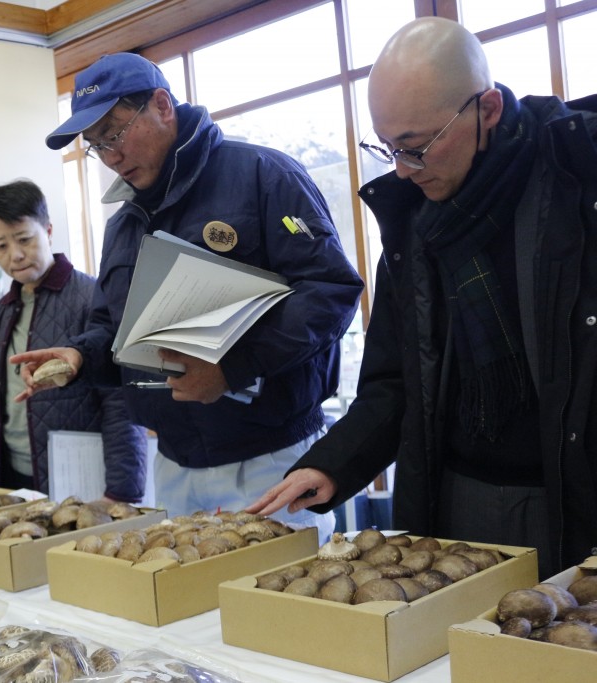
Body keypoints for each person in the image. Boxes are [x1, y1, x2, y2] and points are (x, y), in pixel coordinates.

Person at [247, 17, 597, 579]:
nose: (404, 171)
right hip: (453, 498)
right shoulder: (416, 221)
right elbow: (393, 381)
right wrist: (332, 466)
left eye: (417, 147)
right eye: (387, 148)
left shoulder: (578, 181)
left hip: (574, 495)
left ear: (487, 111)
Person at [14, 53, 363, 540]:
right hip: (173, 464)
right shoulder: (121, 224)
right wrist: (79, 355)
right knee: (186, 611)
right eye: (95, 146)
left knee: (279, 608)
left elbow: (329, 291)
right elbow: (113, 330)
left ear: (161, 105)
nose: (110, 156)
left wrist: (232, 369)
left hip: (271, 461)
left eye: (113, 133)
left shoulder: (263, 175)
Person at [0, 179, 148, 501]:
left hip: (79, 476)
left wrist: (123, 489)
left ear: (48, 230)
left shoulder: (92, 296)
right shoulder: (1, 311)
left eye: (24, 239)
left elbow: (121, 402)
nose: (15, 255)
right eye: (1, 246)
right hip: (12, 474)